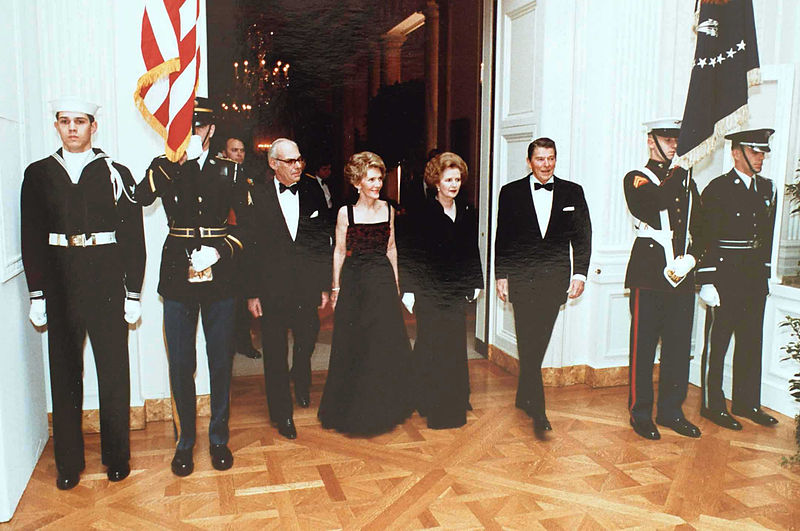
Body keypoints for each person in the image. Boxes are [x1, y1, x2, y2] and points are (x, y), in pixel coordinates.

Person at [21, 97, 145, 489]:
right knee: (65, 373)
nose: (72, 128)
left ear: (94, 126)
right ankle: (68, 464)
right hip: (60, 281)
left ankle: (117, 457)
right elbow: (31, 236)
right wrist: (36, 294)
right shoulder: (39, 173)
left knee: (113, 371)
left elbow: (133, 237)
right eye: (64, 121)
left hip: (106, 280)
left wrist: (133, 292)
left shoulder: (116, 172)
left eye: (80, 121)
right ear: (56, 126)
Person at [135, 98, 246, 476]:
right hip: (178, 274)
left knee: (219, 360)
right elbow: (141, 196)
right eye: (183, 126)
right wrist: (172, 162)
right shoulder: (165, 167)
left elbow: (248, 226)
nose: (191, 134)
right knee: (181, 362)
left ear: (211, 130)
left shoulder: (229, 172)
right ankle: (185, 442)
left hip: (220, 275)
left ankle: (219, 438)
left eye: (198, 127)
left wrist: (221, 251)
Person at [494, 137, 592, 436]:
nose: (546, 164)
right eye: (540, 159)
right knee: (528, 341)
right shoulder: (510, 193)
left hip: (554, 280)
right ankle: (538, 409)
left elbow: (583, 237)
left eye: (551, 158)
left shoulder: (572, 191)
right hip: (522, 278)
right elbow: (503, 237)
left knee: (538, 342)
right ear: (529, 161)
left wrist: (581, 275)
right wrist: (501, 275)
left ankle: (524, 394)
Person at [318, 151, 413, 435]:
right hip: (355, 284)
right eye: (370, 179)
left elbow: (392, 248)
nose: (376, 184)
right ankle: (354, 409)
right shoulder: (345, 213)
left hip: (382, 282)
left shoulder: (388, 209)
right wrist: (335, 287)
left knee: (383, 345)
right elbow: (338, 251)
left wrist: (396, 285)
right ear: (357, 182)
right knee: (356, 345)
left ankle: (385, 407)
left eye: (379, 179)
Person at [242, 138, 331, 440]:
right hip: (272, 288)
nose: (298, 166)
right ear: (273, 164)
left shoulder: (312, 189)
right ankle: (282, 413)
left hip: (306, 285)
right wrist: (252, 293)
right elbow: (250, 249)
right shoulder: (258, 194)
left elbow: (320, 241)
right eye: (290, 161)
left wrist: (323, 284)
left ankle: (302, 380)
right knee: (275, 351)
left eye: (299, 160)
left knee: (306, 339)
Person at [623, 118, 702, 440]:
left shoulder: (687, 182)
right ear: (650, 141)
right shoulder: (638, 178)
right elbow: (653, 203)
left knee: (678, 347)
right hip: (649, 275)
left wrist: (697, 261)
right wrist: (680, 169)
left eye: (676, 141)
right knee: (643, 349)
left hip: (681, 275)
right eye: (667, 140)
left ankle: (671, 411)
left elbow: (702, 224)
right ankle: (640, 412)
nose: (673, 146)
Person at [697, 128, 778, 430]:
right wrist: (706, 280)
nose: (760, 158)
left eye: (762, 153)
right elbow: (704, 237)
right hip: (725, 276)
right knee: (717, 343)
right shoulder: (717, 189)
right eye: (755, 152)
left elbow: (766, 236)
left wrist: (766, 274)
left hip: (753, 277)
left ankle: (746, 403)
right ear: (736, 153)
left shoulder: (767, 188)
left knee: (750, 341)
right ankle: (711, 404)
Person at [403, 152, 483, 429]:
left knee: (453, 345)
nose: (454, 184)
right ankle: (428, 400)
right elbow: (411, 254)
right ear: (436, 182)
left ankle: (455, 398)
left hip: (456, 290)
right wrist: (409, 290)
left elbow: (472, 250)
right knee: (431, 344)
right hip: (428, 290)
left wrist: (476, 282)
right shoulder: (421, 212)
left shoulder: (468, 210)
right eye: (448, 179)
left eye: (457, 179)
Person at [222, 136, 261, 360]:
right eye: (234, 150)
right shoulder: (218, 176)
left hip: (245, 243)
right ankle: (227, 345)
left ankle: (244, 343)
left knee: (246, 294)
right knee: (226, 299)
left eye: (242, 150)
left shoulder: (248, 180)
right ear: (225, 153)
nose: (239, 154)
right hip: (223, 243)